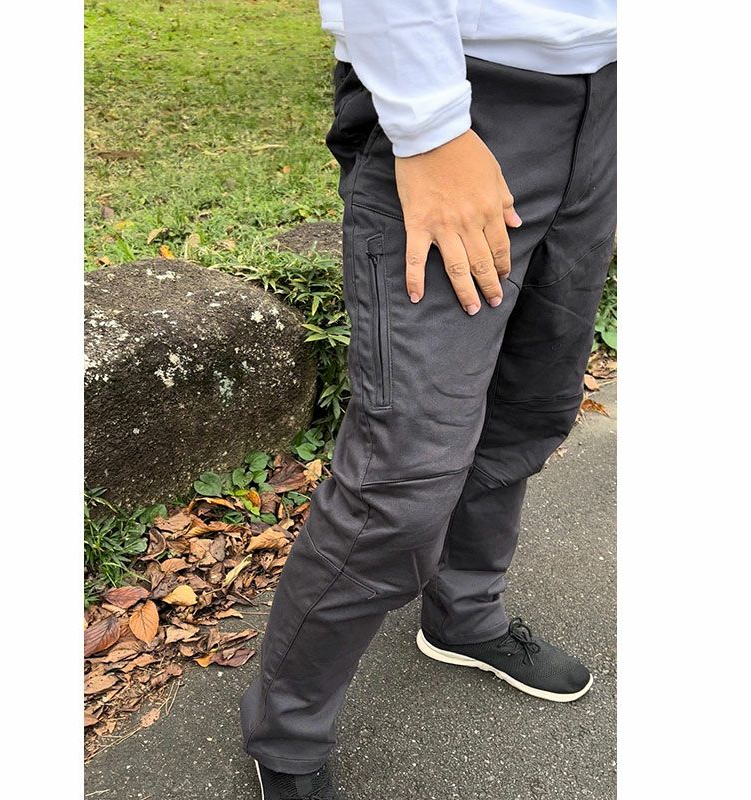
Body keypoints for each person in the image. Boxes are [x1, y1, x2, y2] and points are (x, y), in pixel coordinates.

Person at [241, 2, 617, 797]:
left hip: (604, 96)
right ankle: (287, 730)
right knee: (401, 477)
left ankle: (464, 614)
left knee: (530, 408)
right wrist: (430, 127)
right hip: (461, 98)